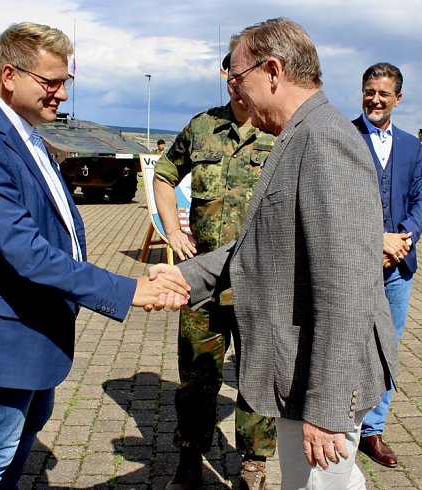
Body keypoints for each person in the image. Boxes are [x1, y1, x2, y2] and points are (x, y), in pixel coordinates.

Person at [0, 22, 189, 489]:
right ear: (10, 75)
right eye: (51, 82)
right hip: (5, 334)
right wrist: (129, 289)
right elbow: (28, 255)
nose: (62, 95)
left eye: (65, 82)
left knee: (17, 444)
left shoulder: (22, 128)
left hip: (35, 326)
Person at [177, 18, 398, 489]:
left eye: (237, 78)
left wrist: (326, 406)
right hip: (303, 370)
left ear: (272, 70)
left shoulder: (323, 139)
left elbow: (347, 288)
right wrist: (183, 278)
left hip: (321, 385)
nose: (235, 91)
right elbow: (263, 244)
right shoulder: (299, 133)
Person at [153, 53, 277, 490]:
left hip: (261, 284)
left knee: (259, 377)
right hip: (203, 284)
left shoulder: (280, 129)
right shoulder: (203, 126)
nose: (233, 82)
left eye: (241, 74)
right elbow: (164, 175)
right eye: (229, 74)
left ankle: (254, 463)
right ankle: (189, 459)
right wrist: (172, 230)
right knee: (197, 378)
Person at [351, 62, 422, 468]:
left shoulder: (411, 146)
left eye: (383, 93)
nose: (375, 99)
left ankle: (373, 430)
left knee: (386, 349)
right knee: (347, 344)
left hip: (399, 266)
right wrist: (372, 241)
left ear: (397, 98)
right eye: (369, 91)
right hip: (352, 265)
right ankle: (343, 423)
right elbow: (336, 202)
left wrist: (403, 239)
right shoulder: (343, 137)